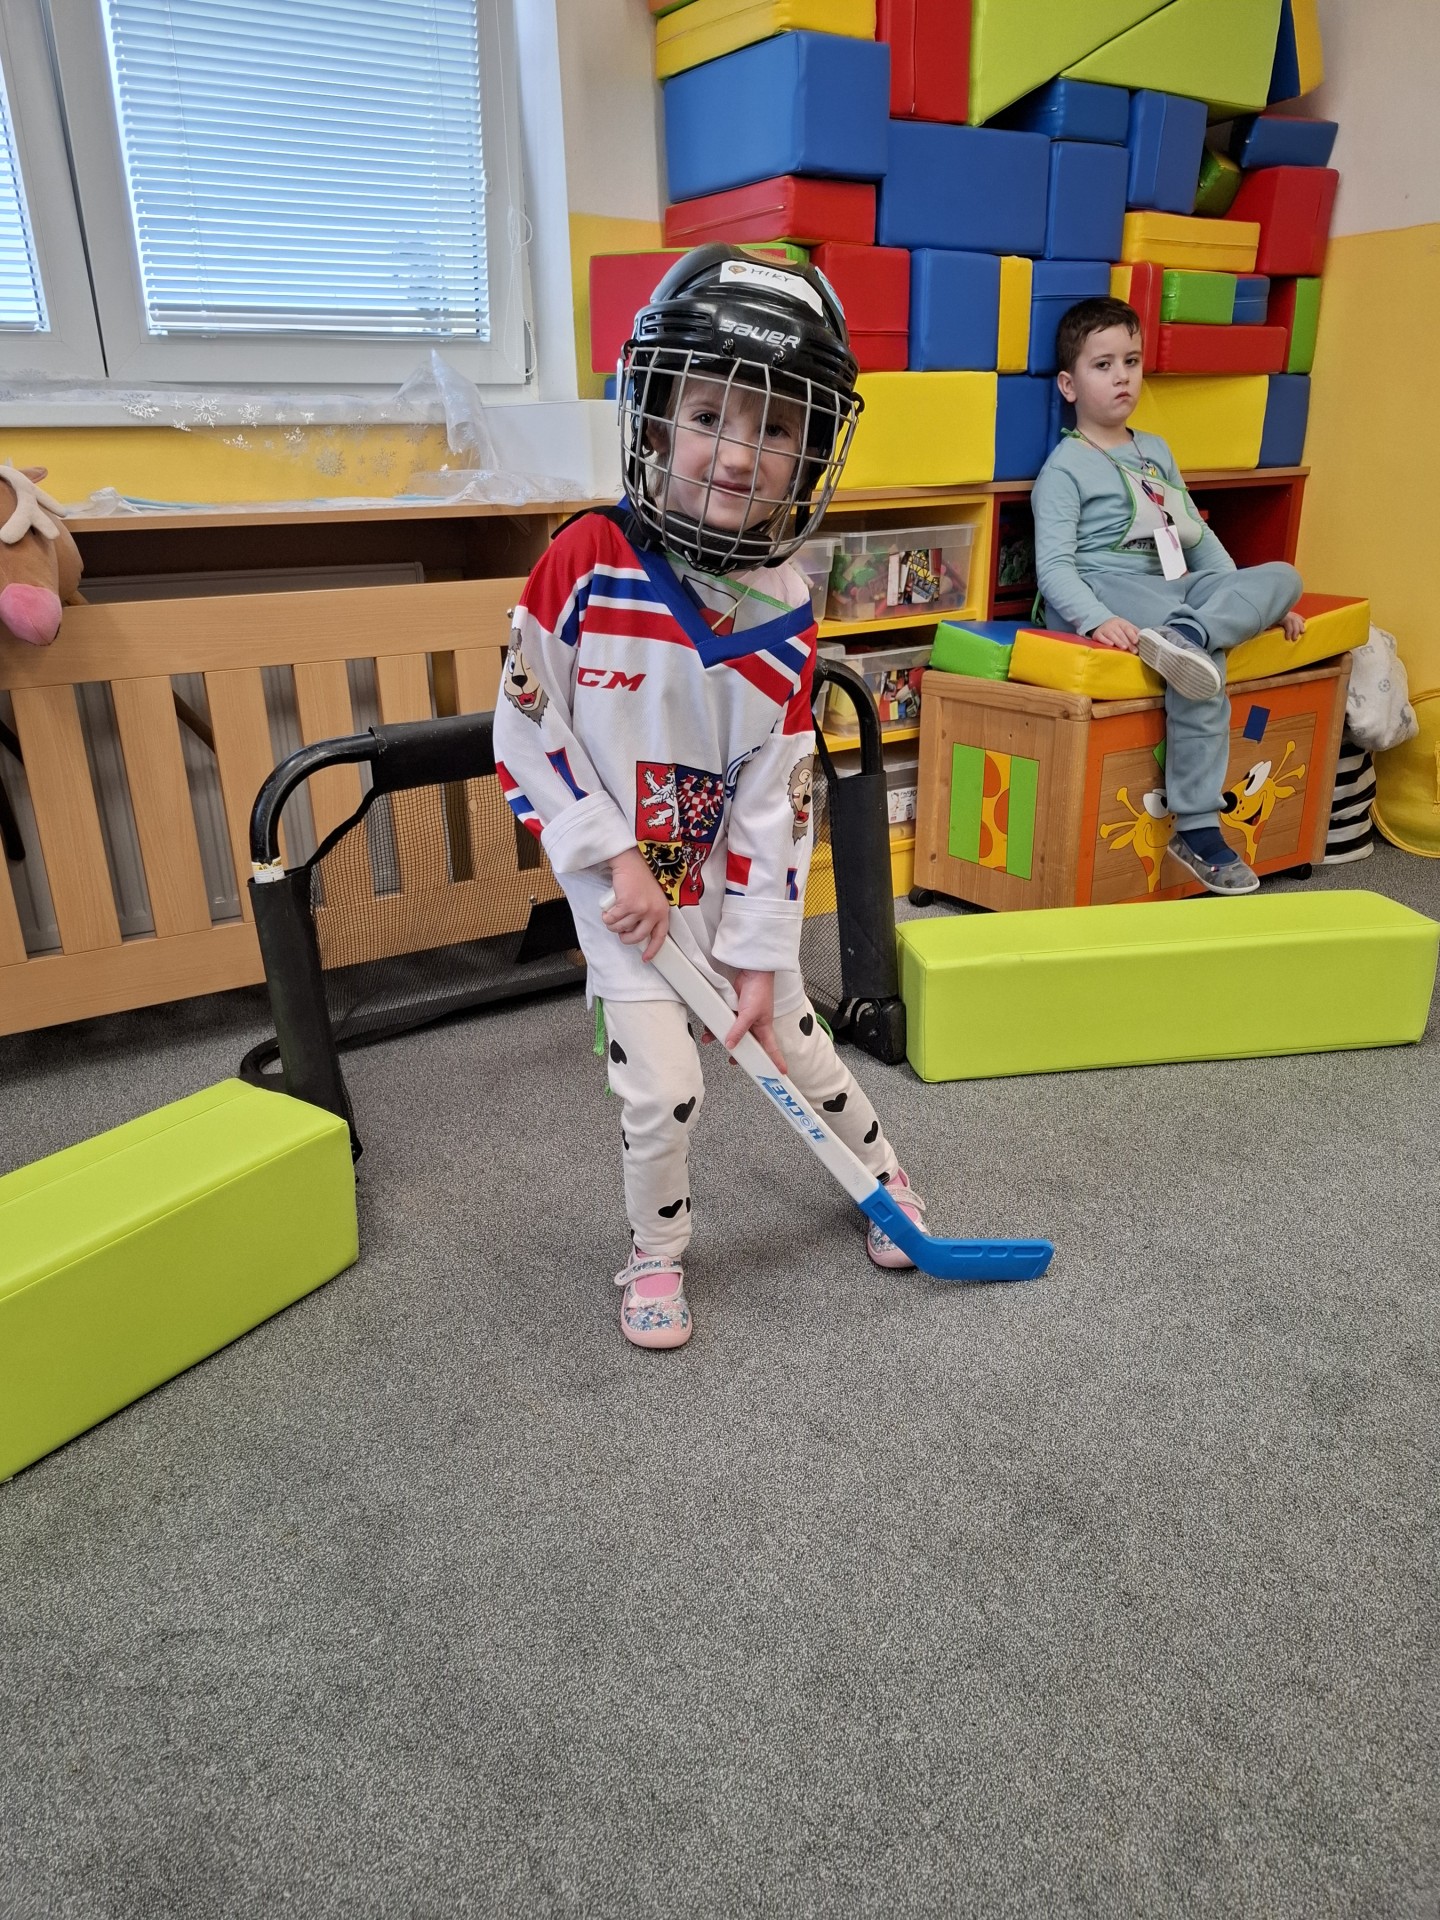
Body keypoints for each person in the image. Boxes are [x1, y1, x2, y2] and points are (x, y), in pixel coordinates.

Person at [491, 245, 925, 1351]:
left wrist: (759, 949)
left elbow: (776, 795)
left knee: (798, 1046)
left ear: (811, 451)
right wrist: (617, 863)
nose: (737, 454)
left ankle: (883, 1180)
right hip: (622, 896)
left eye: (775, 428)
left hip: (725, 895)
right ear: (655, 420)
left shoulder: (785, 602)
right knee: (665, 1090)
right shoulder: (584, 561)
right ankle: (655, 1254)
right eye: (708, 416)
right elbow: (526, 731)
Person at [1031, 296, 1307, 894]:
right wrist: (1095, 618)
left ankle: (1190, 633)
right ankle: (1198, 826)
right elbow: (1052, 568)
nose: (1122, 376)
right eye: (1102, 365)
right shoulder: (1065, 468)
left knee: (1285, 577)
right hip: (1105, 585)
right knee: (1202, 663)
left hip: (1171, 588)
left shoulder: (1155, 450)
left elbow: (1195, 535)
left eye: (1131, 361)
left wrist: (1248, 598)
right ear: (1069, 385)